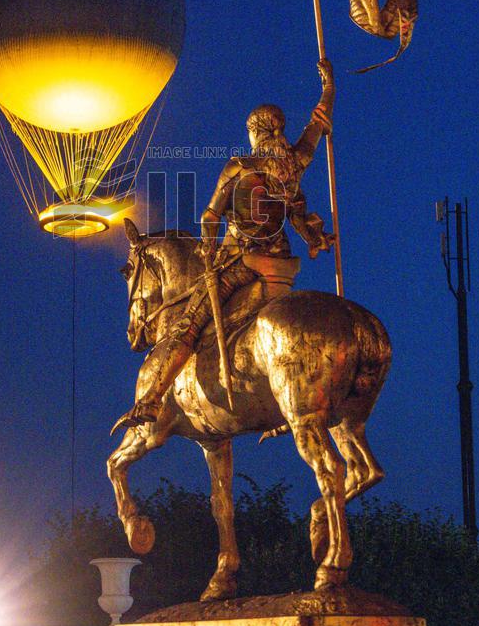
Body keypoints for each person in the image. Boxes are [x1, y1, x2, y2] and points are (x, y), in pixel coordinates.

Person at [113, 59, 335, 430]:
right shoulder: (295, 163)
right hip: (282, 267)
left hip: (242, 263)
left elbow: (210, 216)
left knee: (187, 324)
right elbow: (317, 124)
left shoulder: (239, 166)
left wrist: (208, 247)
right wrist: (328, 88)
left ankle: (151, 401)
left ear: (256, 132)